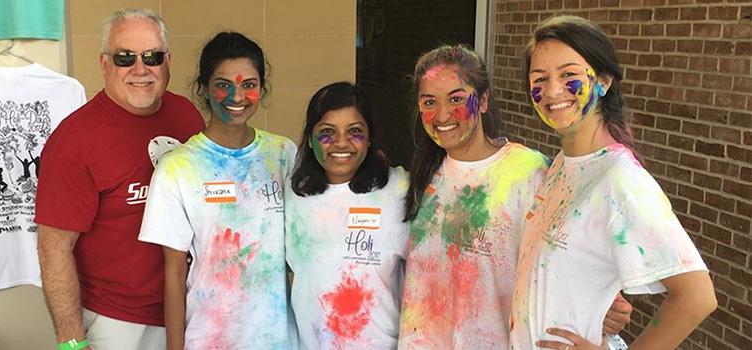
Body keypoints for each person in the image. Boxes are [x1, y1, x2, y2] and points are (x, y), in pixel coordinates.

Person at [398, 45, 632, 349]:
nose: (442, 114)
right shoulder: (418, 180)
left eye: (456, 98)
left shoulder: (529, 173)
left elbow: (572, 256)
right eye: (430, 101)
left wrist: (600, 306)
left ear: (482, 101)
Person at [510, 15, 716, 350]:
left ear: (604, 81)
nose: (552, 91)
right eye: (540, 78)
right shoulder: (564, 164)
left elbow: (696, 297)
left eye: (569, 75)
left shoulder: (620, 179)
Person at [35, 9, 204, 350]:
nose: (140, 69)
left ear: (168, 61)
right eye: (125, 57)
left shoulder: (186, 116)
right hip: (117, 322)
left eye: (152, 57)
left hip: (191, 307)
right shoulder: (74, 140)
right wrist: (72, 343)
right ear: (104, 63)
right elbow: (54, 251)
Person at [137, 32, 298, 350]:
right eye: (224, 84)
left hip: (279, 339)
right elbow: (173, 271)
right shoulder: (178, 168)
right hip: (210, 338)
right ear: (205, 89)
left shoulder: (283, 154)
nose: (236, 96)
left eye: (249, 85)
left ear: (261, 89)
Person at [285, 82, 409, 349]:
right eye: (327, 132)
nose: (341, 142)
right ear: (309, 138)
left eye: (355, 131)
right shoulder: (294, 193)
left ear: (370, 138)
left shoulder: (399, 189)